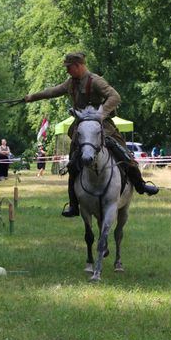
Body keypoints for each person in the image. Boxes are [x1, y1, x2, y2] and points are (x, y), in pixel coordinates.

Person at [25, 52, 158, 217]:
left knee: (124, 154)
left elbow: (114, 96)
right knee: (73, 165)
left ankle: (140, 185)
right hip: (80, 129)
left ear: (78, 66)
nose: (67, 71)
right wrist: (32, 97)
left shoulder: (95, 81)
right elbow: (52, 92)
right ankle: (74, 205)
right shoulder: (70, 83)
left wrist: (101, 114)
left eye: (69, 67)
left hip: (103, 127)